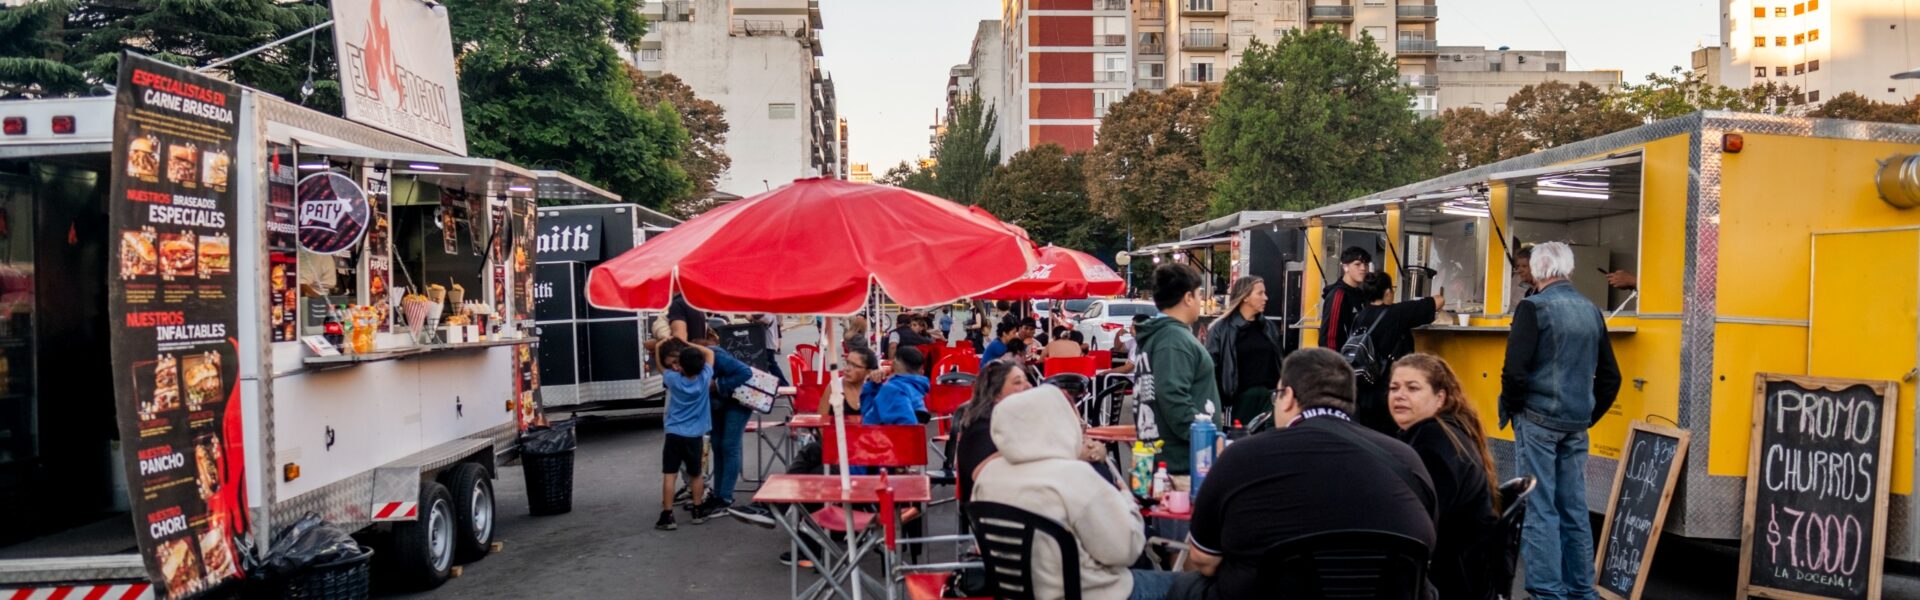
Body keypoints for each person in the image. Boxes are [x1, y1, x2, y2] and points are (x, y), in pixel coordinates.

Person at [1179, 348, 1437, 600]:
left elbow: (1204, 559)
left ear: (1288, 397)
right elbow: (1426, 548)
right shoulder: (1407, 459)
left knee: (1176, 584)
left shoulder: (1241, 456)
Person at [973, 385, 1183, 600]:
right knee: (1195, 586)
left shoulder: (988, 476)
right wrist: (1127, 502)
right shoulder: (1074, 476)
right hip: (1093, 592)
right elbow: (1124, 552)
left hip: (1019, 593)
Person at [1500, 241, 1622, 600]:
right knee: (1574, 508)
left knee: (1539, 508)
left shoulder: (1532, 308)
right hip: (1575, 423)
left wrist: (1515, 409)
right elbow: (1611, 377)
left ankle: (1547, 593)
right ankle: (1582, 590)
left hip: (1536, 419)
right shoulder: (1591, 310)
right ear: (1568, 269)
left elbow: (1514, 372)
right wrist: (1587, 415)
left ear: (1537, 270)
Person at [1390, 353, 1500, 600]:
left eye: (1412, 388)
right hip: (1470, 574)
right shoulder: (1445, 432)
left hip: (1450, 581)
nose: (1399, 395)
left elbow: (1417, 521)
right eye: (1394, 388)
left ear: (1440, 398)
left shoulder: (1434, 443)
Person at [1132, 263, 1222, 491]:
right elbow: (1172, 396)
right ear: (1188, 297)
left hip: (1165, 462)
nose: (1201, 301)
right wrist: (1207, 439)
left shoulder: (1161, 335)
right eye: (1199, 294)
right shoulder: (1174, 339)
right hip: (1181, 467)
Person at [1349, 271, 1444, 434]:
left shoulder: (1360, 316)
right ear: (1387, 292)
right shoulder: (1397, 312)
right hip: (1387, 391)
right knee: (1390, 439)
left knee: (1368, 438)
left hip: (1362, 389)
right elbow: (1439, 301)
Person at [685, 334, 757, 520]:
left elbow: (745, 373)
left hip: (737, 402)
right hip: (718, 404)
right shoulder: (686, 361)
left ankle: (725, 498)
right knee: (717, 445)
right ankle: (718, 495)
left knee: (729, 446)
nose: (676, 368)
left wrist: (717, 384)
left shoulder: (715, 355)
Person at [949, 360, 1035, 506]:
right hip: (996, 511)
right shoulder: (981, 431)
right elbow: (989, 479)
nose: (1029, 386)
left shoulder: (1010, 423)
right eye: (1018, 382)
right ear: (996, 394)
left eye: (1026, 380)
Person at [1204, 276, 1285, 426]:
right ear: (1245, 297)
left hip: (1269, 399)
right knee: (1240, 438)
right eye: (1260, 293)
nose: (1266, 298)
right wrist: (1217, 405)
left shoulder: (1269, 327)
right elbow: (1211, 369)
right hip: (1238, 402)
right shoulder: (1221, 329)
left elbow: (1280, 362)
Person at [656, 343, 716, 530]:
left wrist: (659, 346)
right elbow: (709, 352)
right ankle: (697, 510)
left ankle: (667, 515)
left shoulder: (673, 379)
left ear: (680, 366)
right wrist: (689, 344)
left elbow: (660, 366)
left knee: (670, 474)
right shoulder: (704, 378)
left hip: (674, 432)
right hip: (696, 435)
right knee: (696, 474)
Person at [1318, 246, 1372, 349]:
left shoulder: (1360, 294)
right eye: (1357, 264)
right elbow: (1330, 337)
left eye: (1366, 264)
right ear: (1345, 267)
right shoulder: (1338, 295)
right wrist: (1335, 359)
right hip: (1340, 356)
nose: (1363, 268)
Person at [864, 345, 930, 425]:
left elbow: (907, 425)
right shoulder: (918, 388)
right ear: (920, 370)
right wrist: (874, 386)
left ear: (895, 363)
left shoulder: (893, 389)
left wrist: (869, 386)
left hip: (876, 432)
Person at [753, 313, 787, 386]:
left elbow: (767, 320)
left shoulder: (769, 313)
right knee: (766, 366)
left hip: (768, 344)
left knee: (772, 366)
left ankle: (784, 385)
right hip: (764, 344)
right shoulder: (766, 313)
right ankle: (780, 385)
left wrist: (750, 316)